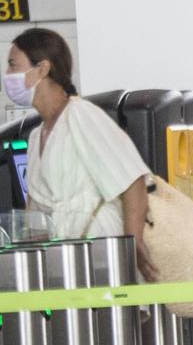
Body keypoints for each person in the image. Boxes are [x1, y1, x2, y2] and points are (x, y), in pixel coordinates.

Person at [11, 28, 154, 270]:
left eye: (13, 65)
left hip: (101, 254)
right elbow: (35, 210)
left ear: (42, 69)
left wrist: (133, 245)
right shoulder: (36, 136)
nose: (7, 74)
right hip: (65, 259)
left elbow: (132, 180)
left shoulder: (81, 116)